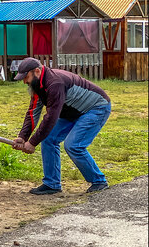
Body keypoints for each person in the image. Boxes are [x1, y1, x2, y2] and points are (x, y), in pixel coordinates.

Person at [11, 57, 111, 195]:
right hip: (72, 111)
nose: (24, 81)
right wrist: (23, 137)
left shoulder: (55, 83)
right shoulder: (36, 86)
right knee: (48, 139)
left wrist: (32, 143)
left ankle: (99, 181)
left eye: (26, 77)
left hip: (95, 108)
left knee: (73, 145)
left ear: (37, 71)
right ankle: (52, 184)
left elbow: (51, 117)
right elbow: (33, 112)